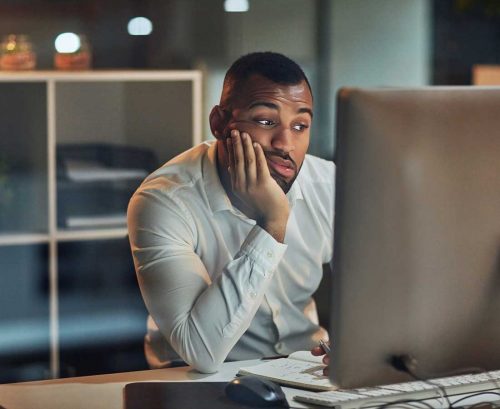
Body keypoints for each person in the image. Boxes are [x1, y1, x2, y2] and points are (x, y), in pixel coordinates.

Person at [127, 51, 334, 374]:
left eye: (300, 125)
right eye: (266, 121)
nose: (285, 143)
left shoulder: (328, 185)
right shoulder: (163, 200)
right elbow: (201, 352)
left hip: (305, 372)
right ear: (219, 124)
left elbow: (381, 289)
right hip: (193, 382)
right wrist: (272, 222)